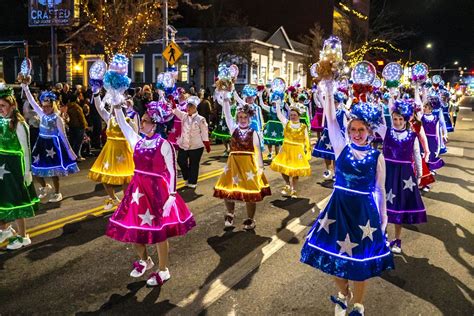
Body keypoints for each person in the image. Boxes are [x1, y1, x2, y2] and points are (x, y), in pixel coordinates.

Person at [301, 80, 394, 316]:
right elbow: (331, 121)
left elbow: (381, 190)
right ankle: (343, 293)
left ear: (370, 132)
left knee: (360, 261)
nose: (356, 134)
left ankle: (359, 306)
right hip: (338, 209)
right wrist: (329, 91)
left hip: (363, 212)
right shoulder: (341, 147)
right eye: (352, 129)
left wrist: (383, 219)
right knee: (333, 255)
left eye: (361, 130)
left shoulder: (377, 156)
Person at [106, 100, 196, 287]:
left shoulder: (164, 144)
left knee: (159, 233)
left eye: (145, 121)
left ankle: (164, 270)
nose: (142, 124)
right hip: (137, 192)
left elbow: (172, 171)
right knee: (132, 230)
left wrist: (172, 195)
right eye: (143, 120)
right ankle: (145, 261)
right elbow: (123, 124)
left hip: (157, 192)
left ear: (155, 124)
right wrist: (116, 104)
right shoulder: (137, 141)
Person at [213, 91, 271, 230]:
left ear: (249, 118)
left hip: (249, 165)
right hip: (233, 164)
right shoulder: (233, 129)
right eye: (240, 117)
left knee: (250, 194)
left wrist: (260, 168)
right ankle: (230, 214)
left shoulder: (253, 132)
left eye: (244, 117)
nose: (242, 119)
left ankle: (250, 219)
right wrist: (226, 97)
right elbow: (227, 114)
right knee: (228, 190)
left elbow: (257, 151)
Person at [380, 99, 426, 254]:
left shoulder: (412, 136)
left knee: (399, 207)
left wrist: (419, 174)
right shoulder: (386, 131)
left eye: (400, 119)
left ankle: (397, 240)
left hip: (404, 176)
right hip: (386, 173)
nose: (397, 122)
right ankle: (382, 235)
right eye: (395, 119)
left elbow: (417, 156)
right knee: (383, 206)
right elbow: (371, 123)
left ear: (406, 119)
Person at [22, 84, 79, 202]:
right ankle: (44, 186)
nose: (44, 109)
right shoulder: (41, 114)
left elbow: (63, 136)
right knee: (34, 168)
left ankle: (57, 192)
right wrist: (25, 87)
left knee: (54, 171)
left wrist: (70, 151)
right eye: (43, 106)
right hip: (41, 144)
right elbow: (32, 101)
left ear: (53, 106)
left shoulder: (57, 118)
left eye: (47, 107)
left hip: (53, 145)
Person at [0, 84, 40, 249]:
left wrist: (27, 173)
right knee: (3, 200)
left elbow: (25, 150)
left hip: (15, 168)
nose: (0, 109)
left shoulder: (19, 124)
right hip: (2, 167)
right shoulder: (2, 121)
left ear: (12, 105)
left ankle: (23, 237)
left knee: (16, 201)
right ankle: (5, 229)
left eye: (2, 106)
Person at [88, 92, 135, 210]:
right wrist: (96, 94)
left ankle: (126, 202)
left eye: (120, 107)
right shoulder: (109, 119)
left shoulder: (129, 121)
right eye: (114, 107)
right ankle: (113, 198)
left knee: (125, 179)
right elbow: (100, 108)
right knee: (105, 177)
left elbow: (135, 138)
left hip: (124, 152)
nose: (116, 110)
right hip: (109, 152)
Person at [270, 97, 311, 198]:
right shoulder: (286, 123)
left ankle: (294, 189)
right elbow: (279, 115)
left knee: (295, 171)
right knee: (283, 168)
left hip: (297, 150)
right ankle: (287, 183)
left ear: (299, 116)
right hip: (286, 149)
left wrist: (307, 150)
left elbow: (306, 139)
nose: (292, 116)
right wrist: (278, 104)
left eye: (294, 115)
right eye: (291, 115)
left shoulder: (303, 127)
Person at [171, 95, 211, 188]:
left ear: (195, 108)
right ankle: (187, 177)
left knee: (194, 164)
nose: (188, 108)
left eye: (191, 107)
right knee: (180, 161)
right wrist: (172, 100)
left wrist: (207, 143)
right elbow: (175, 110)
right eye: (188, 106)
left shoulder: (201, 119)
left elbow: (204, 132)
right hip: (184, 144)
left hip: (196, 146)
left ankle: (192, 182)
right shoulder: (184, 116)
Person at [259, 91, 284, 160]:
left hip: (278, 128)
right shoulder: (269, 108)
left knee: (277, 142)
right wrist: (260, 96)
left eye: (276, 102)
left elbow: (284, 118)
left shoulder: (281, 109)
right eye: (273, 102)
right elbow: (262, 105)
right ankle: (270, 153)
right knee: (269, 141)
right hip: (270, 127)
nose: (274, 103)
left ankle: (277, 155)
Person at [67, 94, 88, 161]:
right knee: (78, 142)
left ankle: (73, 155)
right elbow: (81, 117)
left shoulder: (68, 107)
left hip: (71, 126)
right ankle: (76, 156)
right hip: (79, 126)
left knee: (72, 142)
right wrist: (85, 125)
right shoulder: (77, 107)